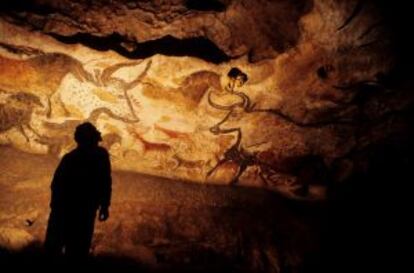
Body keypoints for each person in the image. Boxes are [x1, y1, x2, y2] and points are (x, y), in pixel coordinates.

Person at [44, 122, 112, 260]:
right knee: (77, 250)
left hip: (65, 211)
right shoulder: (100, 156)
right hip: (83, 211)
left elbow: (56, 185)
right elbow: (105, 182)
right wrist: (104, 206)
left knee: (55, 248)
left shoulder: (70, 158)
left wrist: (55, 208)